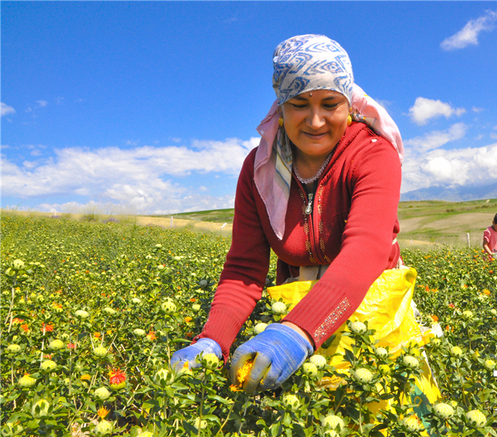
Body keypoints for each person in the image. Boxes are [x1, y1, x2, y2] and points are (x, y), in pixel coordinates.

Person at [170, 34, 404, 394]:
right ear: (280, 106)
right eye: (298, 104)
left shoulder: (372, 154)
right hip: (290, 313)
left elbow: (365, 251)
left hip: (372, 312)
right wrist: (212, 341)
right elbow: (244, 268)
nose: (315, 121)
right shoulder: (259, 169)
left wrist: (296, 333)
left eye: (330, 103)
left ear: (349, 102)